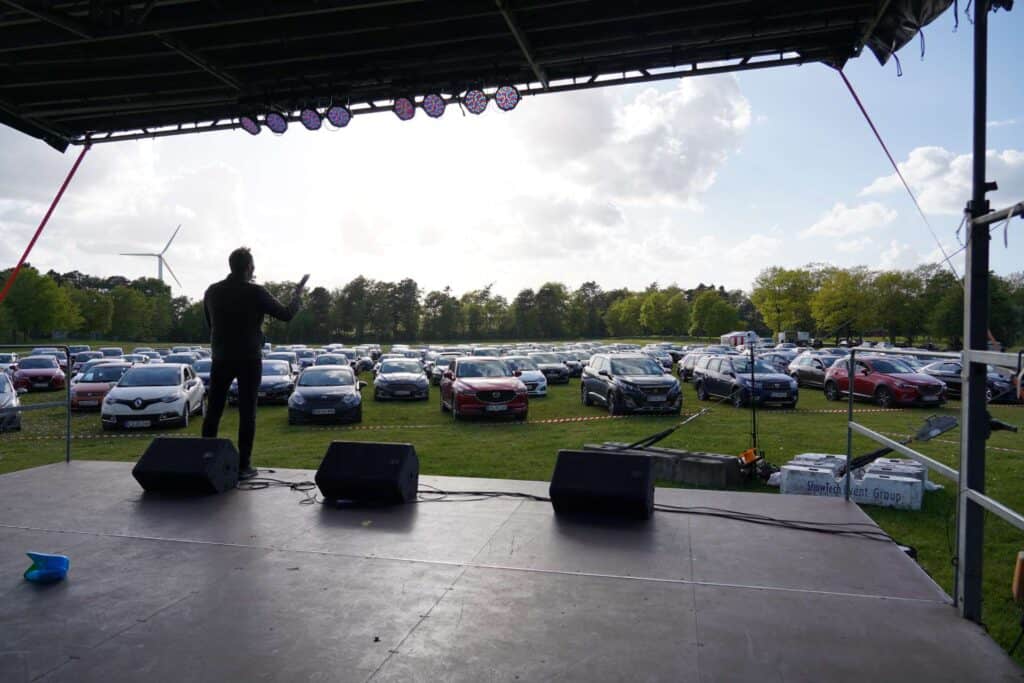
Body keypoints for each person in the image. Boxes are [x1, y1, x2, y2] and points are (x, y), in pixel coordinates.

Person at [202, 247, 306, 479]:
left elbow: (211, 324)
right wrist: (297, 296)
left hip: (221, 357)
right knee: (247, 412)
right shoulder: (256, 292)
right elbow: (286, 314)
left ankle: (205, 460)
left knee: (214, 411)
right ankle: (244, 466)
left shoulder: (212, 291)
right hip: (249, 358)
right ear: (249, 267)